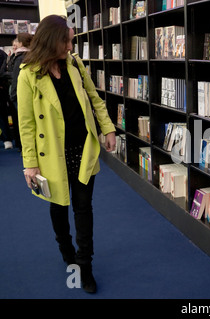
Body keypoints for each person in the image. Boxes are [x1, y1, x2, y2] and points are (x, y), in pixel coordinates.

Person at [17, 15, 116, 293]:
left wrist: (107, 129)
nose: (71, 45)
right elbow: (25, 124)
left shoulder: (74, 64)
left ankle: (85, 266)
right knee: (59, 206)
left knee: (84, 208)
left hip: (83, 150)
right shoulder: (28, 74)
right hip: (51, 156)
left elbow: (94, 98)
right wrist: (30, 164)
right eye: (67, 40)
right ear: (53, 41)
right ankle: (66, 252)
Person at [10, 33, 33, 151]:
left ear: (21, 43)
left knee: (24, 123)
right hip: (26, 93)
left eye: (17, 42)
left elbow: (16, 77)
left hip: (19, 94)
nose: (15, 44)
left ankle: (26, 149)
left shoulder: (20, 57)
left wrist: (12, 95)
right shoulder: (31, 55)